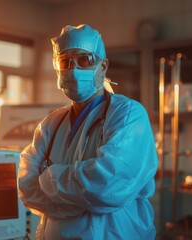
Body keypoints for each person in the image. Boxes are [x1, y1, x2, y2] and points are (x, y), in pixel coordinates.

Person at [18, 24, 158, 239]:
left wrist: (48, 178)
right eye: (65, 62)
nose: (73, 70)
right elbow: (27, 188)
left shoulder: (128, 115)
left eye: (84, 60)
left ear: (103, 66)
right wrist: (83, 202)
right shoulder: (50, 124)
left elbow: (107, 185)